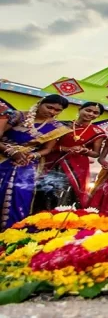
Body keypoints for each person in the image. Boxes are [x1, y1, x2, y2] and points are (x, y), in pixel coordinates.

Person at [0, 95, 71, 228]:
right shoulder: (17, 116)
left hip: (26, 162)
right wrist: (11, 151)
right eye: (49, 107)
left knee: (20, 194)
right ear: (40, 103)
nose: (52, 112)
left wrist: (32, 155)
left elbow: (47, 150)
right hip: (2, 155)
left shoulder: (57, 128)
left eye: (57, 110)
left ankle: (10, 231)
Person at [37, 102, 106, 211]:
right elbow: (46, 146)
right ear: (80, 109)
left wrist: (85, 150)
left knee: (69, 191)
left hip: (77, 165)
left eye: (95, 113)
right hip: (54, 160)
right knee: (47, 188)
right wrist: (64, 148)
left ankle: (61, 217)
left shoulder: (97, 132)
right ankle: (40, 215)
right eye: (88, 110)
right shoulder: (62, 125)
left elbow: (96, 154)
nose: (91, 114)